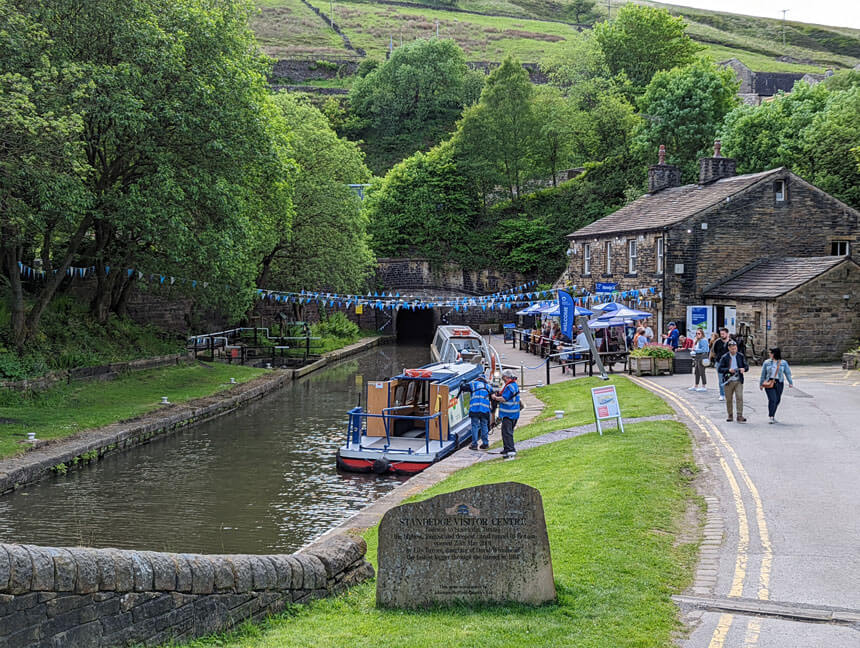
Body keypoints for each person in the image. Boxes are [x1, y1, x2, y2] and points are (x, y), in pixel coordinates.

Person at [759, 348, 794, 423]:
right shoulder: (766, 362)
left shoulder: (783, 363)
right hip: (769, 382)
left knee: (777, 400)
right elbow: (763, 374)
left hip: (779, 382)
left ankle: (773, 415)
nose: (769, 354)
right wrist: (761, 384)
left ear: (775, 354)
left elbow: (787, 373)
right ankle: (771, 417)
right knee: (772, 399)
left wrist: (790, 382)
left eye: (771, 353)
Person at [717, 340, 749, 422]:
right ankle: (730, 415)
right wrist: (728, 370)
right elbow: (720, 369)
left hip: (738, 380)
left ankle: (739, 415)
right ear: (729, 348)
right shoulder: (725, 357)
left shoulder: (740, 356)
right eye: (732, 349)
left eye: (735, 348)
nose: (734, 350)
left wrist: (743, 369)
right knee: (729, 398)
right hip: (728, 380)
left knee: (739, 397)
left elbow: (746, 366)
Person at [458, 373, 492, 450]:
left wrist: (463, 381)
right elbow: (493, 397)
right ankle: (485, 443)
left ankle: (474, 444)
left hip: (475, 409)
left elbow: (463, 387)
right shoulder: (488, 387)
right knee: (484, 425)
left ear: (478, 379)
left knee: (474, 426)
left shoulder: (474, 384)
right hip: (485, 409)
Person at [492, 370, 520, 459]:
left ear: (506, 377)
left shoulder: (509, 387)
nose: (503, 380)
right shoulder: (514, 385)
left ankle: (511, 450)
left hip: (508, 414)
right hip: (514, 413)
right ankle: (506, 448)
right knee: (506, 432)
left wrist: (495, 398)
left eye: (503, 378)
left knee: (507, 433)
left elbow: (504, 398)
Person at [711, 327, 731, 402]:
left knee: (729, 379)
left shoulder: (731, 342)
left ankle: (728, 394)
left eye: (723, 334)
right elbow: (714, 351)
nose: (722, 335)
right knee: (721, 380)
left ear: (727, 334)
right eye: (721, 334)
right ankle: (722, 394)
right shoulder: (717, 342)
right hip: (719, 363)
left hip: (729, 364)